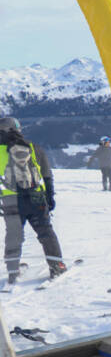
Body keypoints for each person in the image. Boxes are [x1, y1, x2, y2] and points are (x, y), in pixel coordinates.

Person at [0, 117, 67, 284]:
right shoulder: (33, 147)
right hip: (36, 196)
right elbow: (47, 175)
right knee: (45, 231)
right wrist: (50, 196)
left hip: (11, 199)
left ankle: (13, 272)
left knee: (14, 235)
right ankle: (56, 265)